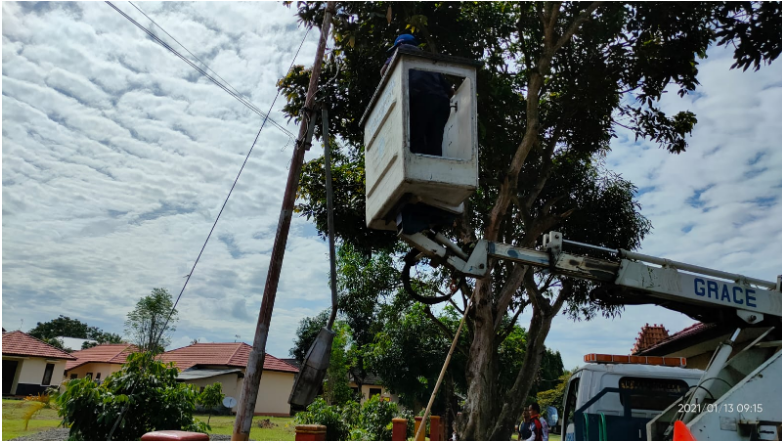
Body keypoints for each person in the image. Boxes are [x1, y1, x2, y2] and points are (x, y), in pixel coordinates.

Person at [380, 34, 452, 156]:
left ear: (399, 45)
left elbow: (383, 72)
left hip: (420, 98)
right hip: (441, 101)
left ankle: (418, 167)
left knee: (416, 137)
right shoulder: (427, 60)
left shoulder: (401, 51)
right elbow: (450, 91)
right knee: (435, 141)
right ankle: (435, 167)